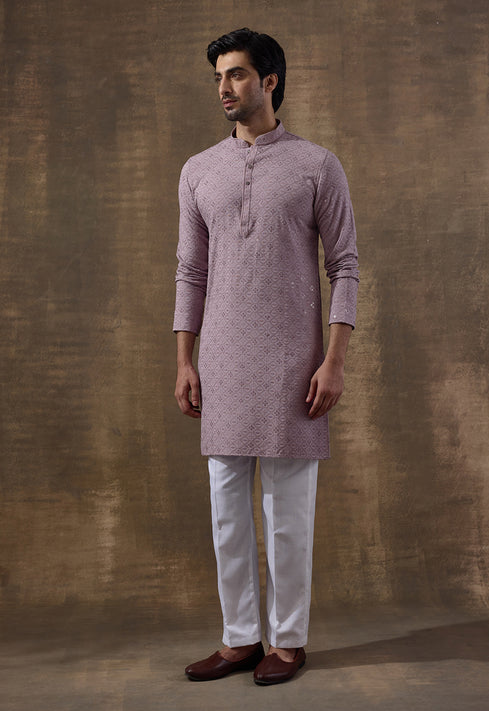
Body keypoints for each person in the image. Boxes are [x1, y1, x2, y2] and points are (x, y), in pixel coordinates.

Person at [173, 28, 359, 685]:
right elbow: (189, 272)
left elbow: (344, 266)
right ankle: (238, 640)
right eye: (218, 77)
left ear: (269, 80)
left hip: (292, 362)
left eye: (236, 75)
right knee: (227, 512)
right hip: (221, 360)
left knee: (287, 514)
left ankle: (287, 641)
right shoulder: (198, 170)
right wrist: (185, 360)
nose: (224, 88)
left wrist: (333, 360)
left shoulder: (316, 165)